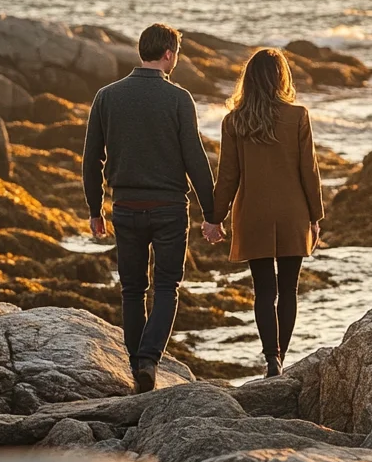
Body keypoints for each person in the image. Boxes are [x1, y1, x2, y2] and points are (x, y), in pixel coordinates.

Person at [82, 23, 217, 394]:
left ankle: (136, 366)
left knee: (131, 289)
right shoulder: (178, 98)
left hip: (125, 206)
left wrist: (96, 210)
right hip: (170, 208)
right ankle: (148, 360)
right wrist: (212, 214)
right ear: (169, 54)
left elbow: (91, 158)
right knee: (167, 286)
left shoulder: (107, 96)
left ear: (143, 51)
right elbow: (195, 160)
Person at [206, 48, 323, 377]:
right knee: (288, 290)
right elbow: (309, 172)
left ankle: (271, 358)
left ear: (249, 80)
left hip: (253, 214)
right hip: (293, 213)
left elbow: (228, 177)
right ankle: (280, 361)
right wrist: (316, 217)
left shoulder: (234, 121)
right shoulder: (298, 116)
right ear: (280, 78)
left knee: (264, 291)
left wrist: (215, 218)